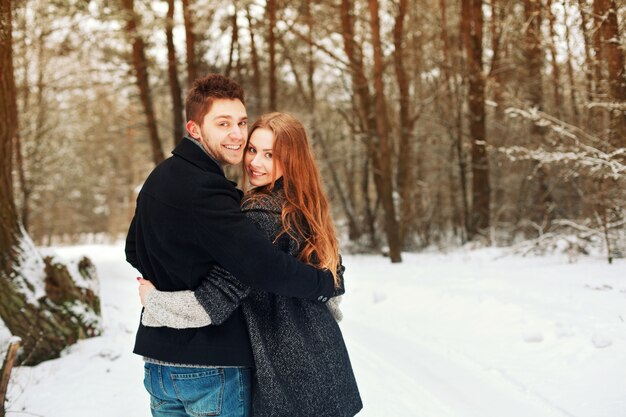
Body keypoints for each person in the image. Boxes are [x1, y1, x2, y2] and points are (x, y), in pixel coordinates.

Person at [125, 75, 340, 417]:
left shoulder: (159, 178)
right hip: (212, 365)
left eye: (241, 122)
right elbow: (260, 267)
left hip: (159, 367)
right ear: (194, 129)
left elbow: (133, 250)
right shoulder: (211, 192)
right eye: (223, 124)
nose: (237, 135)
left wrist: (161, 288)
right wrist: (324, 283)